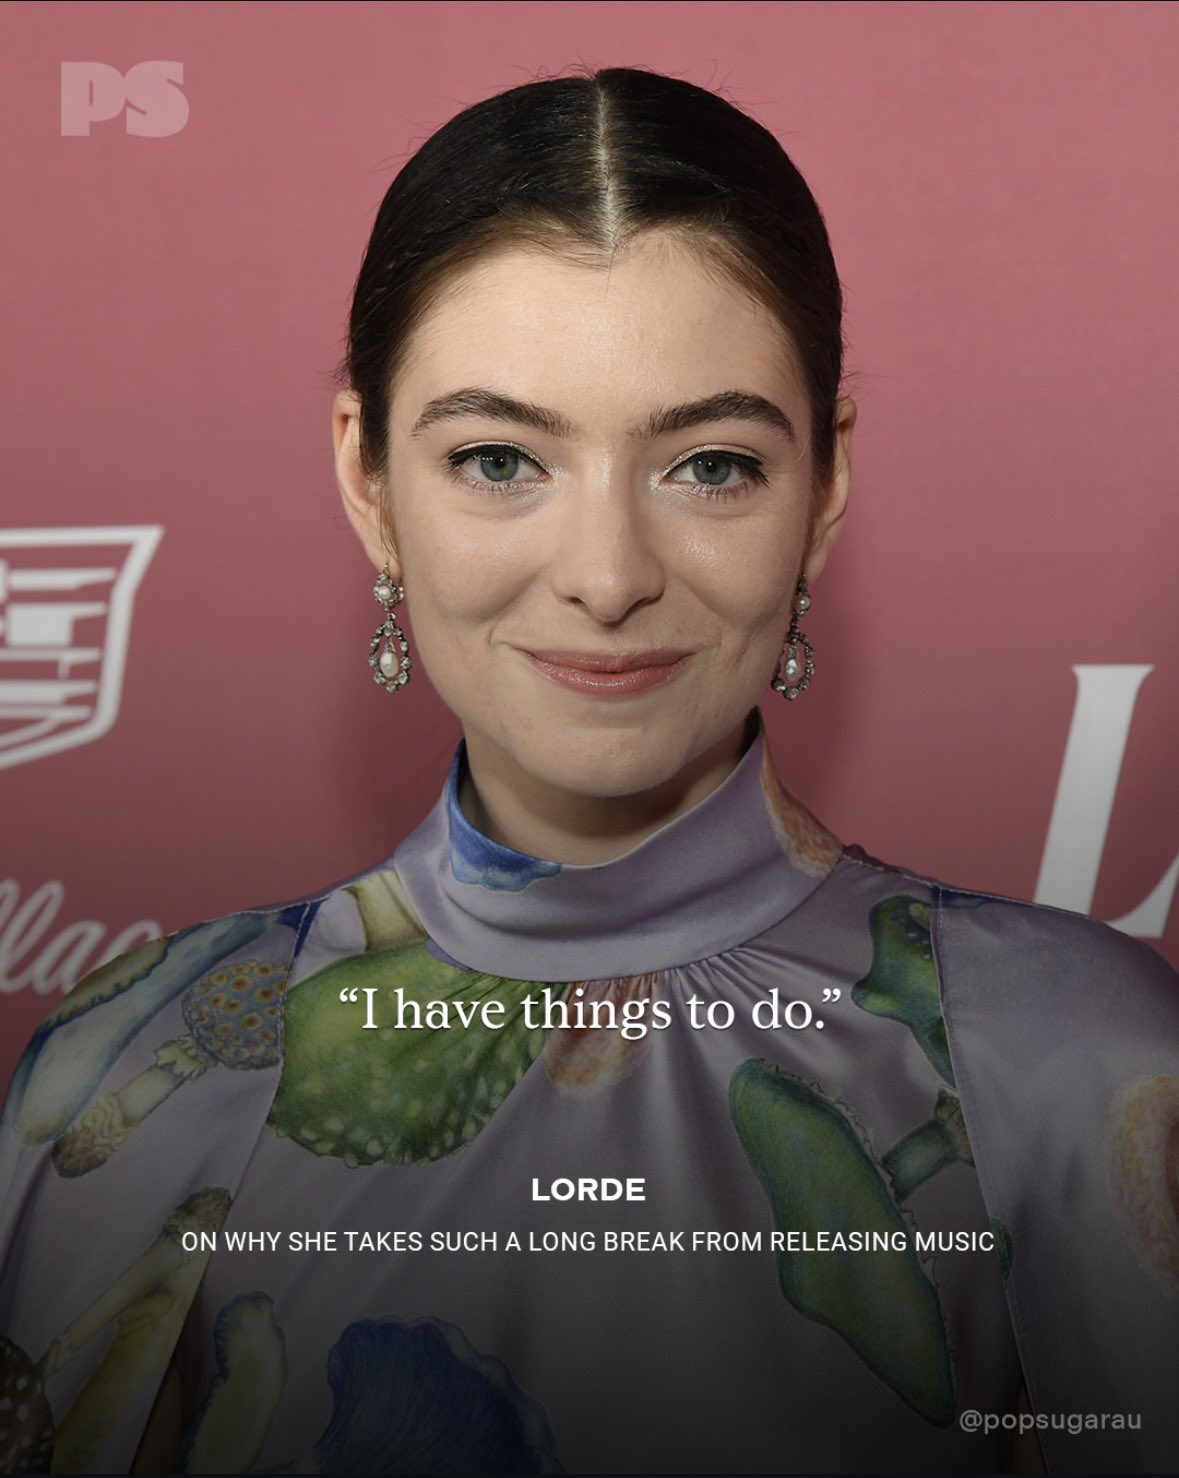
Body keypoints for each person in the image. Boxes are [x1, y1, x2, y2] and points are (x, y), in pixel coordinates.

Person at [0, 64, 1175, 1477]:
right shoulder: (132, 1071)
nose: (607, 576)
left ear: (826, 487)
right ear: (367, 478)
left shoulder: (1073, 1070)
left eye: (709, 466)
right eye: (499, 459)